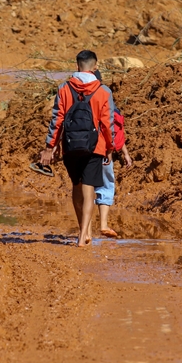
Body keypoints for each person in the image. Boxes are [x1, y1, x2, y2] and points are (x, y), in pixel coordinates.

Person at [41, 50, 114, 247]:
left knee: (77, 187)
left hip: (70, 146)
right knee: (89, 189)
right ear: (95, 67)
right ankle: (83, 235)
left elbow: (56, 120)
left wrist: (50, 147)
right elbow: (108, 123)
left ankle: (84, 230)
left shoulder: (64, 88)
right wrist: (110, 147)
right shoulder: (104, 91)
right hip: (95, 146)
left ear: (77, 66)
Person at [92, 70, 133, 238]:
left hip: (80, 150)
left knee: (84, 188)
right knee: (105, 185)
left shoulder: (76, 95)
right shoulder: (105, 96)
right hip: (102, 151)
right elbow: (113, 129)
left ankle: (85, 230)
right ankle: (103, 225)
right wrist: (120, 153)